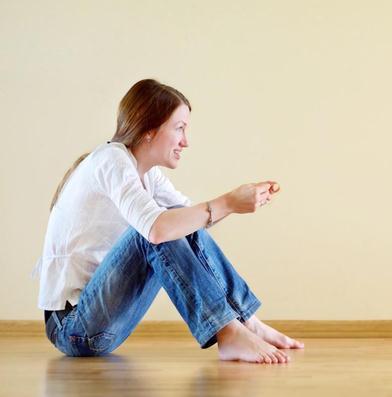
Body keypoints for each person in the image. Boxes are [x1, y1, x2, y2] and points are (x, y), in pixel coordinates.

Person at [36, 78, 303, 364]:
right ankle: (228, 333)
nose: (185, 141)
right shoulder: (110, 160)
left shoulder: (146, 173)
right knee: (154, 231)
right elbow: (157, 229)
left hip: (100, 322)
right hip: (73, 328)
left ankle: (245, 320)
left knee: (181, 222)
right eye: (179, 128)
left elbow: (194, 221)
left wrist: (237, 203)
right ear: (149, 130)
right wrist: (227, 202)